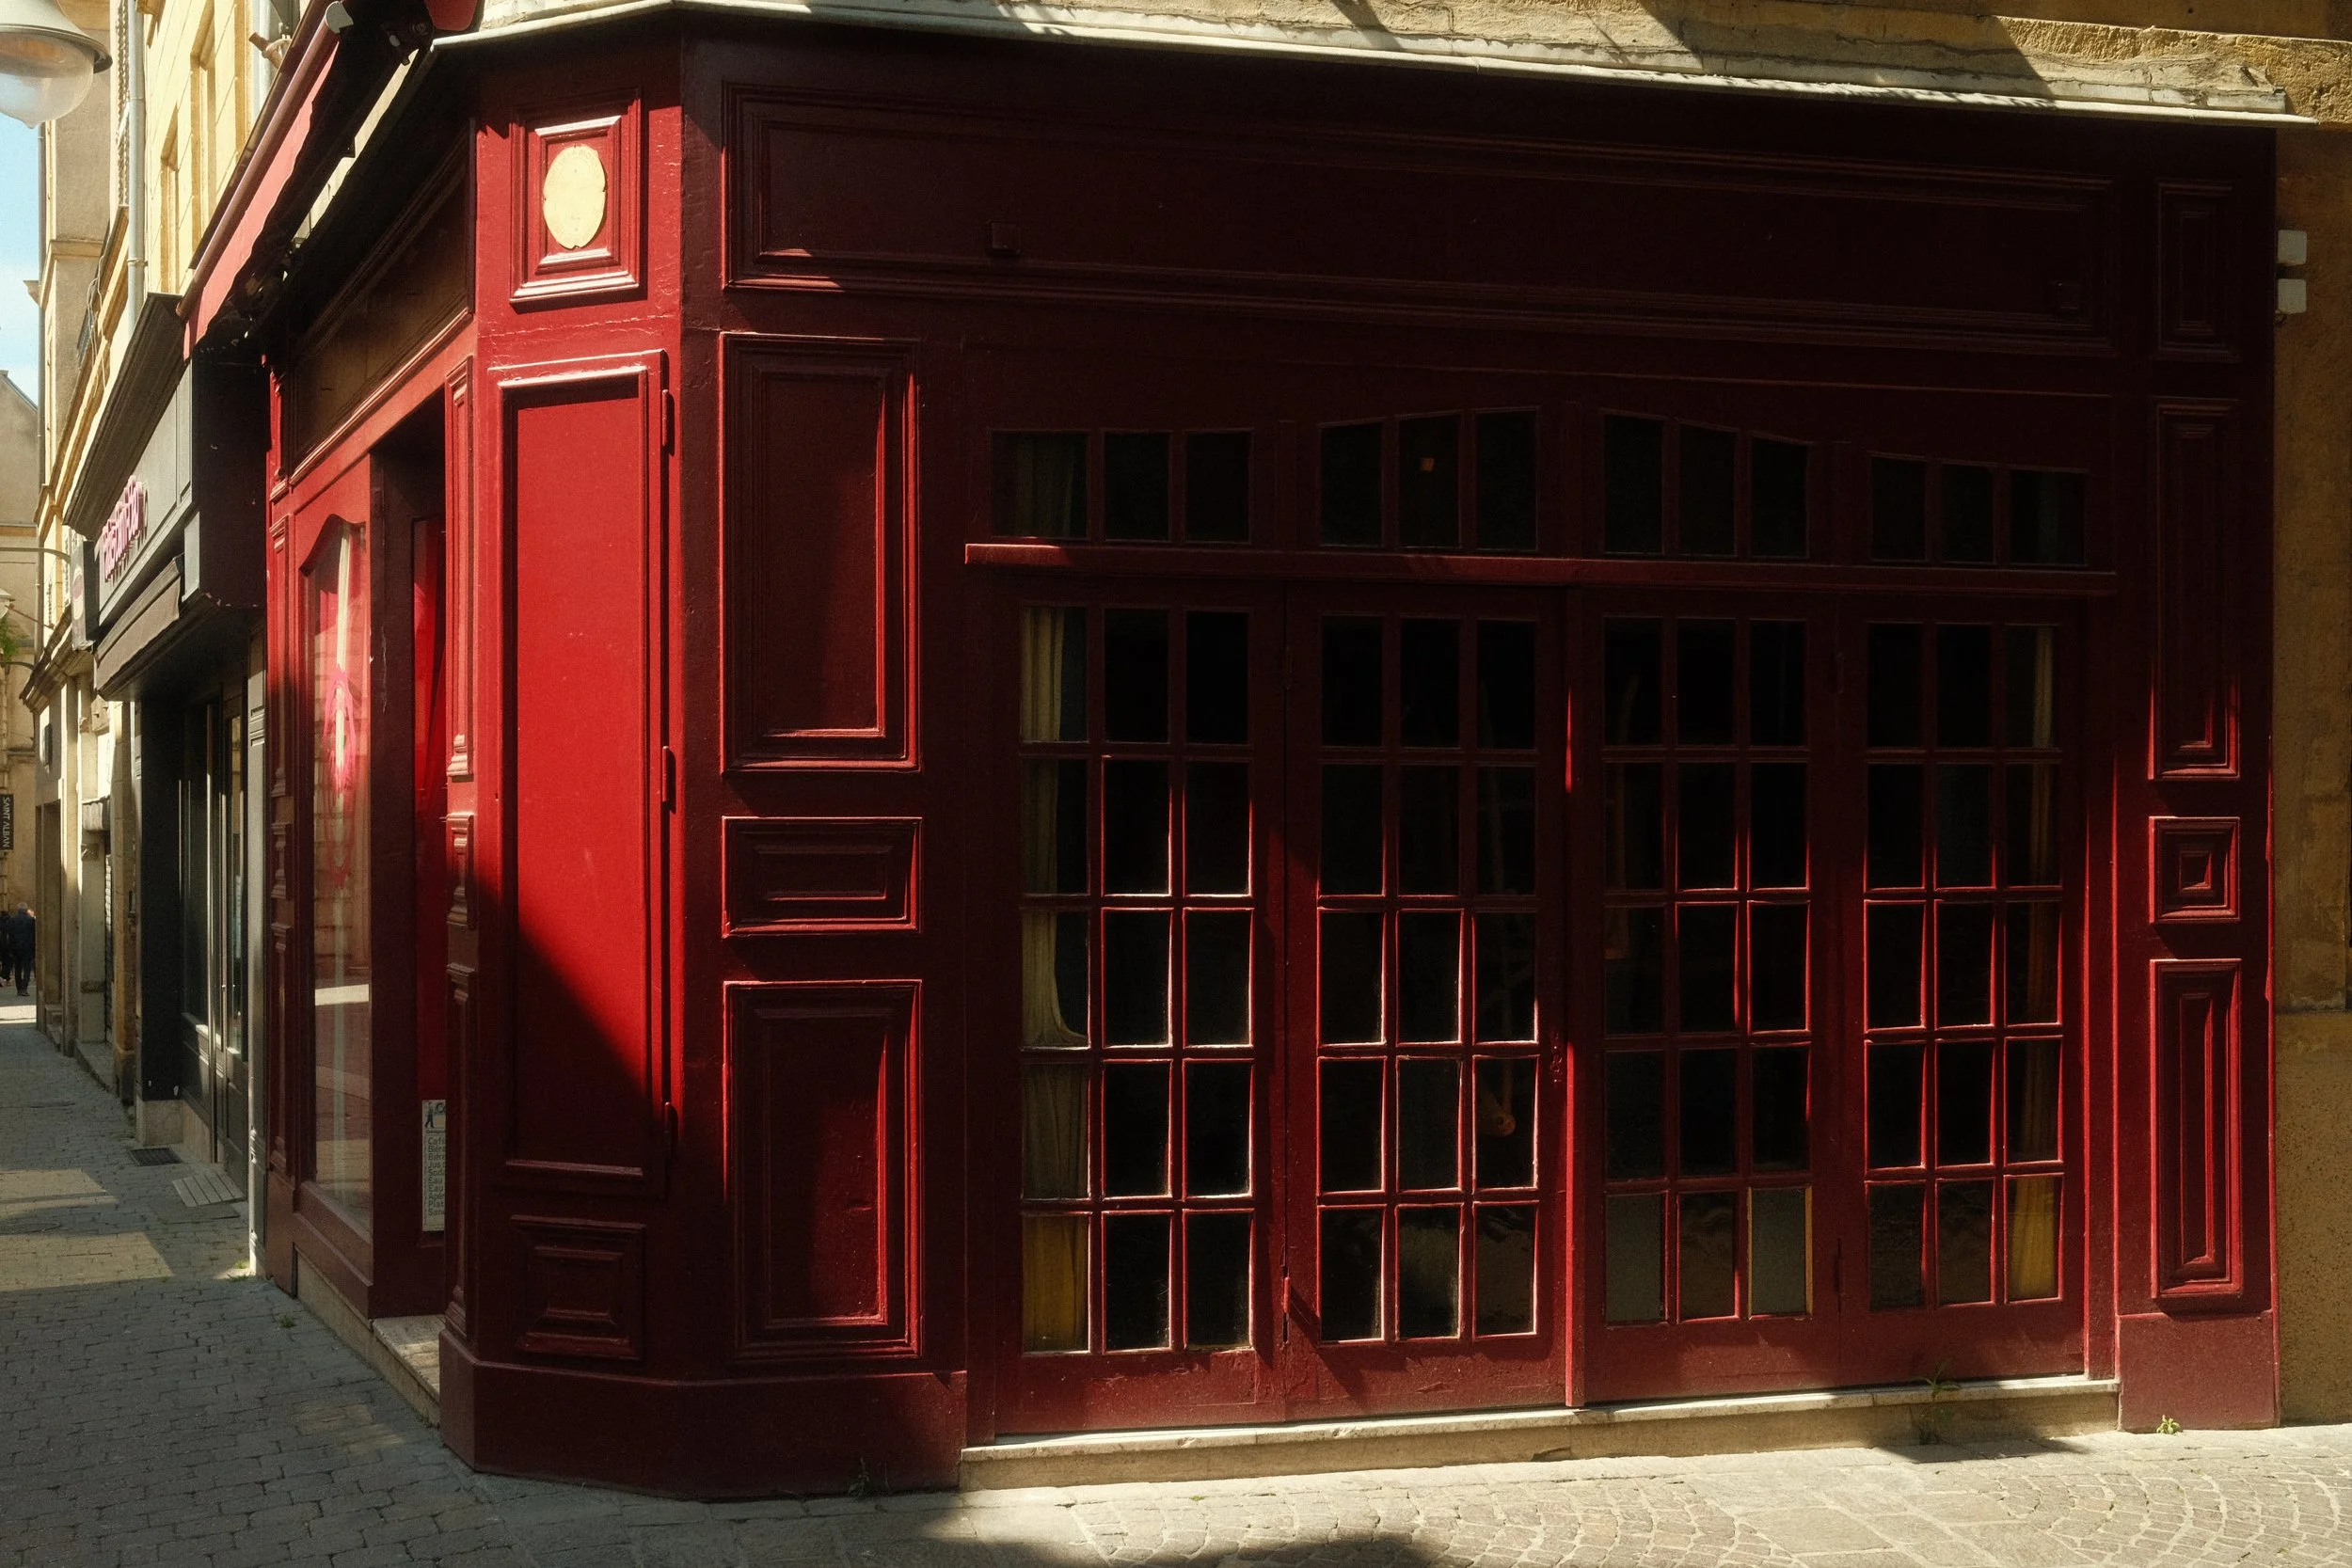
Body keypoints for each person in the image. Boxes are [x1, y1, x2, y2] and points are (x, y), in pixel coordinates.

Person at [8, 904, 33, 996]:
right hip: (28, 948)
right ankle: (24, 988)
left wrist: (10, 949)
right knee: (27, 969)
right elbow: (34, 935)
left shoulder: (13, 920)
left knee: (18, 969)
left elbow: (10, 935)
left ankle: (19, 989)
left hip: (16, 948)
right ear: (26, 910)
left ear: (18, 910)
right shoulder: (31, 920)